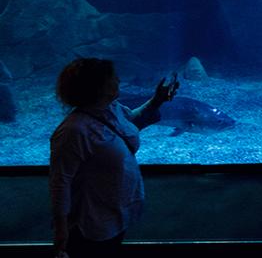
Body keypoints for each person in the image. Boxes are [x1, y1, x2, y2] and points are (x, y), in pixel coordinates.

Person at [49, 57, 180, 257]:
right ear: (98, 86)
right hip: (92, 222)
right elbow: (60, 182)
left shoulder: (112, 108)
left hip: (115, 213)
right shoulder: (73, 131)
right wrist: (61, 228)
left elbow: (130, 125)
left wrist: (157, 100)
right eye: (113, 78)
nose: (118, 81)